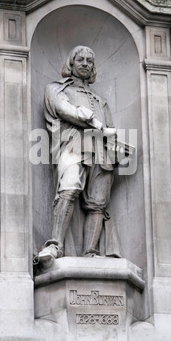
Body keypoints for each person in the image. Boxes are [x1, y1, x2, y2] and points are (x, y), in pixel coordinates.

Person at [37, 45, 121, 266]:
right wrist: (90, 120)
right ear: (71, 63)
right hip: (73, 146)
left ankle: (91, 251)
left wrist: (118, 147)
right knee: (70, 186)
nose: (85, 64)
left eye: (89, 61)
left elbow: (110, 130)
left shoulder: (99, 100)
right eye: (80, 59)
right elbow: (63, 109)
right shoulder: (57, 89)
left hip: (101, 153)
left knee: (98, 203)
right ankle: (55, 244)